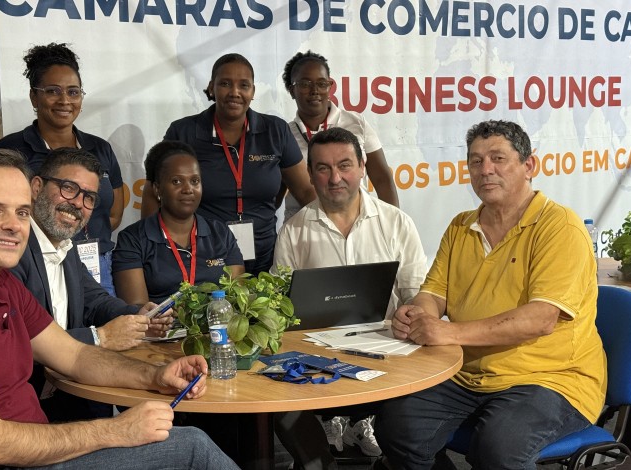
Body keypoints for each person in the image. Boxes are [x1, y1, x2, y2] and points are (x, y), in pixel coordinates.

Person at [0, 148, 239, 470]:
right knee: (191, 447)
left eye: (21, 212)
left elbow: (75, 356)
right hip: (13, 461)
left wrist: (155, 377)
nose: (13, 226)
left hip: (33, 453)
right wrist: (117, 430)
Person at [374, 120, 606, 470]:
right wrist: (417, 312)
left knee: (499, 447)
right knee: (395, 425)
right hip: (467, 374)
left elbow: (541, 319)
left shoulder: (560, 227)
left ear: (530, 166)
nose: (486, 170)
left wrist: (448, 332)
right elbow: (434, 294)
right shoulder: (460, 225)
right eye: (476, 161)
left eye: (498, 158)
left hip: (552, 377)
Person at [272, 127, 427, 470]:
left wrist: (410, 317)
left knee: (414, 421)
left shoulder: (396, 223)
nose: (335, 178)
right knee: (280, 406)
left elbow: (417, 295)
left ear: (362, 165)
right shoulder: (294, 231)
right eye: (323, 168)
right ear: (310, 173)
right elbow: (279, 308)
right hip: (314, 359)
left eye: (344, 165)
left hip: (387, 354)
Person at [11, 147, 171, 422]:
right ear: (36, 187)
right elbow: (19, 343)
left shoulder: (65, 245)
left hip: (71, 395)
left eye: (88, 197)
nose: (77, 204)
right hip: (26, 410)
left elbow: (94, 299)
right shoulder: (13, 250)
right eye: (68, 188)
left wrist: (134, 315)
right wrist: (101, 337)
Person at [140, 53, 316, 275]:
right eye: (225, 84)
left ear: (253, 92)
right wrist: (151, 249)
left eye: (244, 85)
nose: (235, 93)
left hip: (266, 257)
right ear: (211, 88)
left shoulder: (275, 131)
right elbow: (152, 193)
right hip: (204, 257)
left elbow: (306, 191)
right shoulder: (183, 132)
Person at [0, 42, 123, 296]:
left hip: (98, 266)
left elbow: (113, 214)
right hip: (32, 268)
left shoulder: (100, 148)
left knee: (106, 331)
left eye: (73, 92)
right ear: (33, 96)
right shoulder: (7, 153)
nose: (65, 100)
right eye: (53, 91)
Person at [114, 141, 244, 305]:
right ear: (157, 189)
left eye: (195, 181)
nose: (188, 189)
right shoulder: (132, 239)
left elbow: (237, 298)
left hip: (217, 327)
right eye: (176, 181)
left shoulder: (221, 233)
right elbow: (138, 311)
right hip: (161, 329)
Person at [280, 51, 399, 221]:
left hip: (358, 224)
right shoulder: (284, 134)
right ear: (292, 90)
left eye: (322, 83)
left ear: (329, 87)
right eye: (305, 84)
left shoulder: (357, 123)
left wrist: (392, 223)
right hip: (304, 228)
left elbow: (382, 179)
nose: (315, 91)